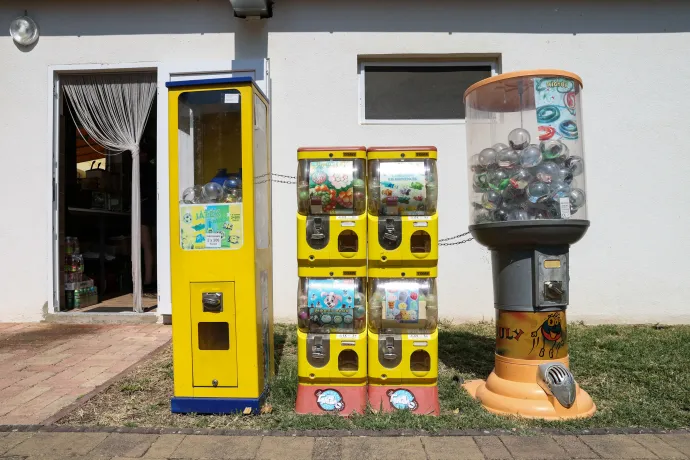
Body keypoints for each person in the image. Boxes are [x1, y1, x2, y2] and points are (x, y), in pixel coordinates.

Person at [139, 136, 157, 295]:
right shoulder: (154, 169)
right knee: (154, 246)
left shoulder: (141, 171)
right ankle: (153, 278)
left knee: (147, 247)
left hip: (145, 208)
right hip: (155, 208)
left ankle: (147, 280)